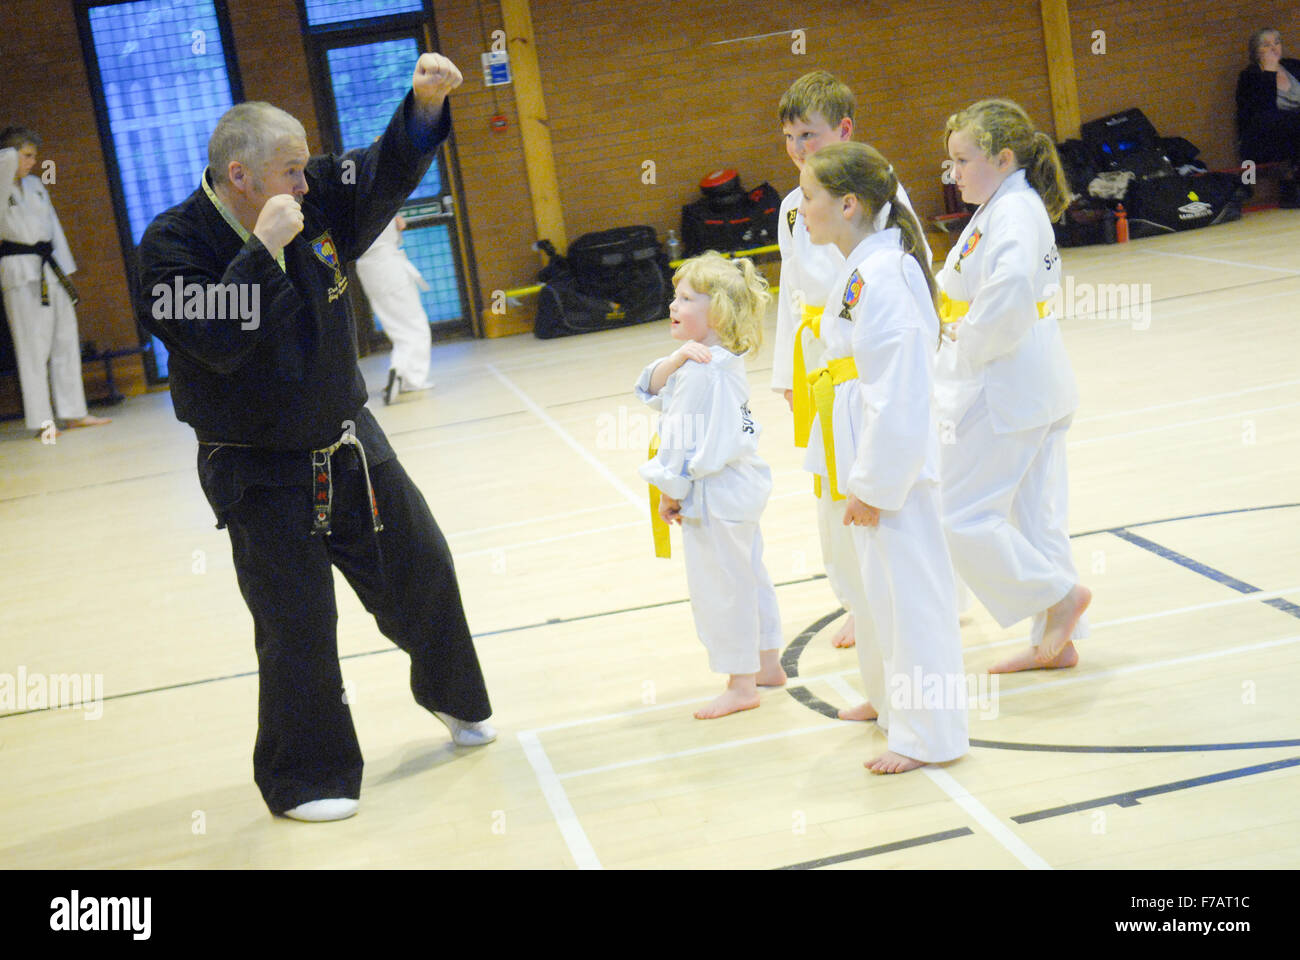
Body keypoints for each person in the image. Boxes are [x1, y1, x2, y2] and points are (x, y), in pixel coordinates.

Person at [136, 54, 494, 823]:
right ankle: (306, 775)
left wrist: (424, 103)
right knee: (297, 624)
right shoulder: (171, 244)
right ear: (241, 176)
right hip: (255, 465)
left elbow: (381, 171)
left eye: (306, 168)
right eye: (291, 171)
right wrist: (259, 251)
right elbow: (211, 337)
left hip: (347, 437)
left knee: (423, 567)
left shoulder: (315, 195)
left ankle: (455, 697)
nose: (307, 183)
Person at [799, 142, 968, 773]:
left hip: (894, 469)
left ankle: (932, 735)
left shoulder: (886, 274)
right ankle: (905, 716)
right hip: (864, 457)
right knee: (885, 599)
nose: (802, 210)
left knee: (913, 600)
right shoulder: (865, 267)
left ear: (848, 204)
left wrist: (873, 482)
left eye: (811, 197)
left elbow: (898, 392)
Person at [771, 72, 936, 650]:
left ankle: (888, 604)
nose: (797, 147)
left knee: (873, 481)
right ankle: (856, 598)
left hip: (862, 354)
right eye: (789, 136)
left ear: (843, 129)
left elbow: (914, 263)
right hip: (822, 353)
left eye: (809, 134)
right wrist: (785, 374)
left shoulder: (875, 193)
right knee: (827, 482)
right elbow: (793, 291)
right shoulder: (796, 207)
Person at [937, 99, 1091, 675]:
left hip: (1008, 379)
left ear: (1003, 158)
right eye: (949, 162)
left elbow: (1008, 293)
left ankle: (1056, 599)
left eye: (962, 160)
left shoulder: (1015, 211)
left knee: (959, 515)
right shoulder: (1003, 204)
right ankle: (1056, 640)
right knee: (1034, 517)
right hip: (1028, 377)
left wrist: (962, 339)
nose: (953, 174)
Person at [636, 252, 785, 719]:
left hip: (716, 493)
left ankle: (741, 685)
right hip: (739, 487)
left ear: (716, 312)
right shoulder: (713, 361)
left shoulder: (702, 374)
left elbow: (679, 440)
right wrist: (678, 355)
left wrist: (669, 492)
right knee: (748, 575)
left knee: (723, 587)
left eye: (684, 298)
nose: (672, 305)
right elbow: (653, 388)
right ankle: (766, 665)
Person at [1, 127, 111, 438]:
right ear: (8, 155)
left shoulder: (37, 185)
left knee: (65, 340)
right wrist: (9, 155)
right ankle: (42, 420)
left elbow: (54, 228)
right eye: (26, 156)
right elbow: (5, 164)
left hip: (50, 268)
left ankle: (73, 412)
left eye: (34, 156)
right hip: (20, 272)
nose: (32, 162)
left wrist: (66, 272)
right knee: (32, 349)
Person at [356, 214, 437, 405]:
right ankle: (407, 375)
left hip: (368, 268)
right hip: (388, 264)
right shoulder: (381, 202)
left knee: (396, 326)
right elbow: (400, 223)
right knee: (413, 325)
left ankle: (404, 372)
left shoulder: (355, 208)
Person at [1236, 28, 1300, 205]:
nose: (1273, 48)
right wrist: (1270, 73)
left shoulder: (1294, 66)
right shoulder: (1250, 77)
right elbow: (1264, 114)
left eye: (1277, 43)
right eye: (1266, 45)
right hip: (1265, 139)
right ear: (1256, 52)